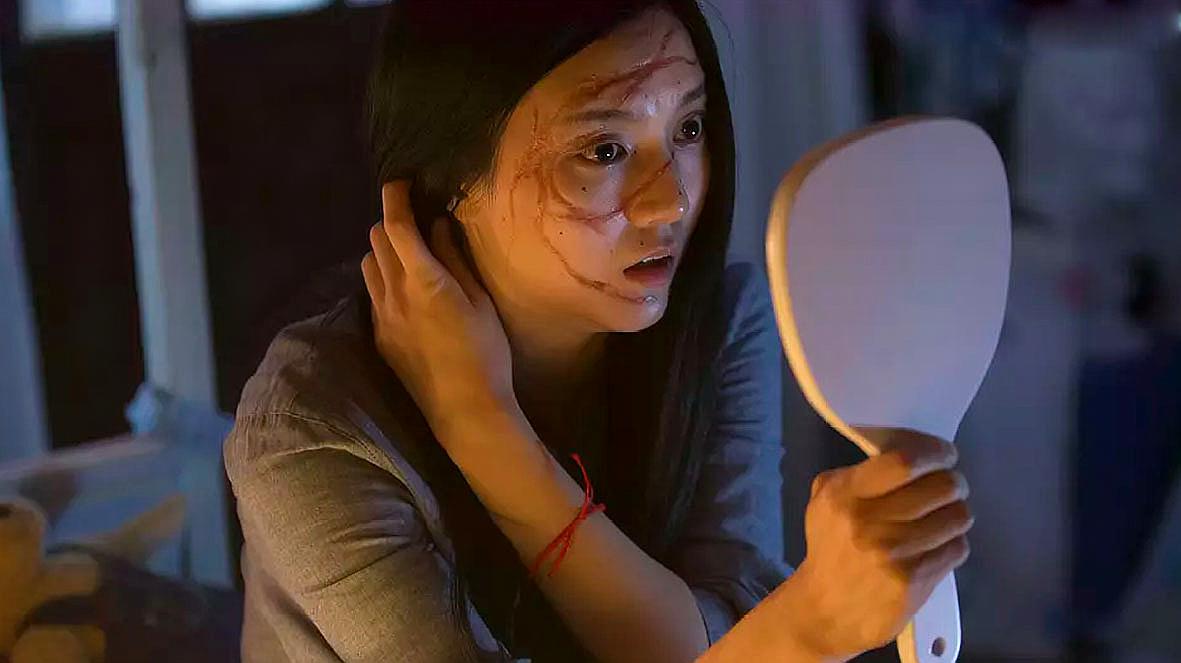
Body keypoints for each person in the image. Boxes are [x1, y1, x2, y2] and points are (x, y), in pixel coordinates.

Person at [223, 1, 974, 661]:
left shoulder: (718, 323)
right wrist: (811, 628)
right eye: (604, 150)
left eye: (688, 128)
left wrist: (487, 434)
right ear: (451, 176)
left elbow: (722, 635)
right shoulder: (313, 427)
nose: (671, 201)